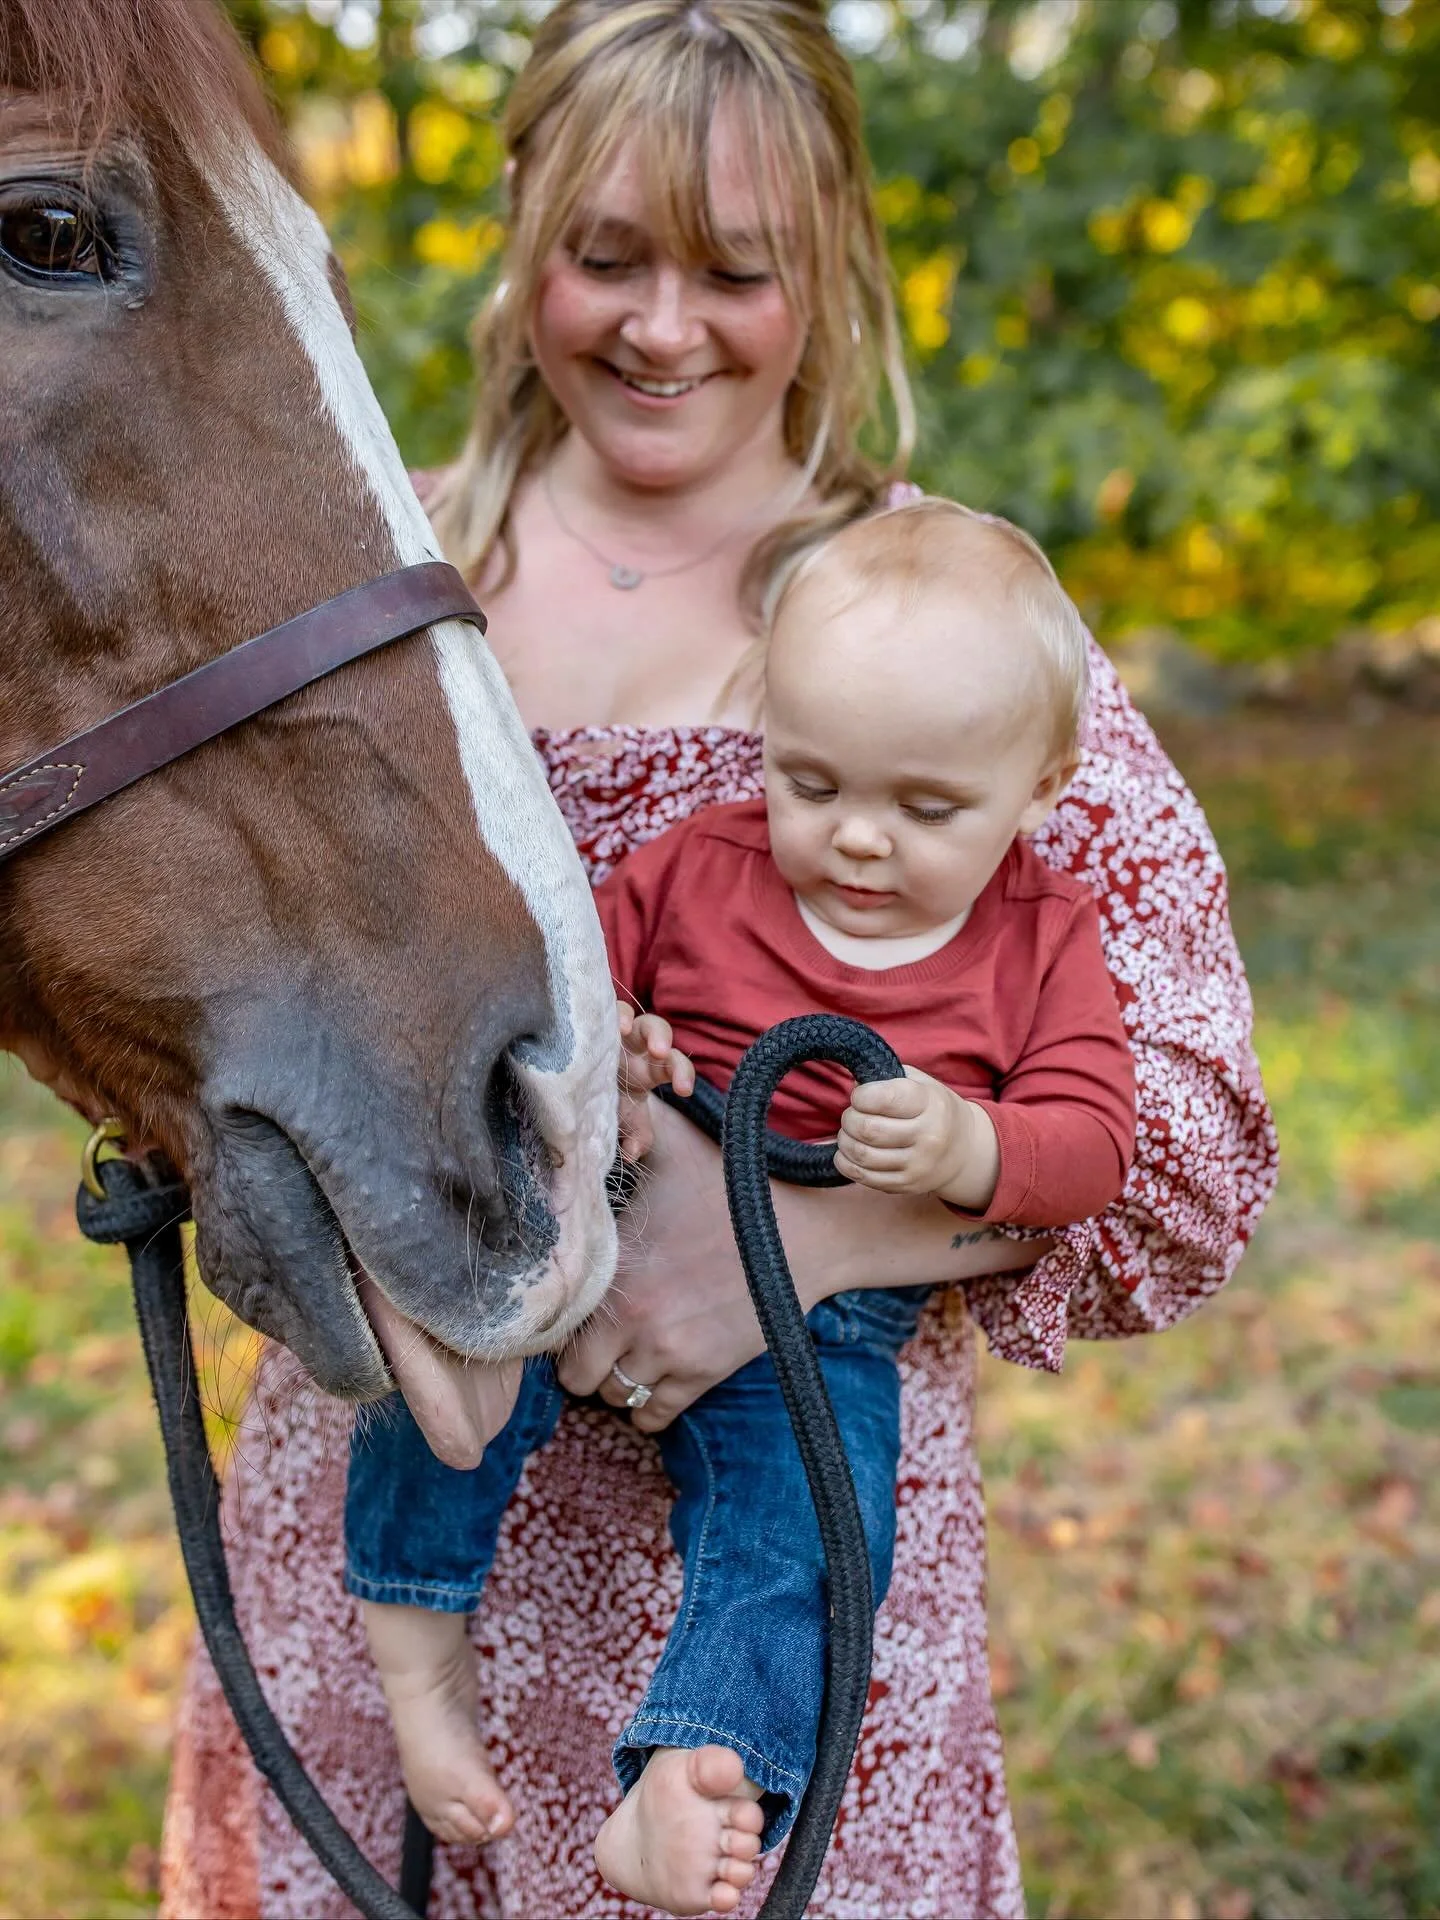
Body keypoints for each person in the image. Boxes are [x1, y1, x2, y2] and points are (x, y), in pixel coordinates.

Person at [162, 4, 1278, 1915]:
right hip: (396, 1534)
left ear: (827, 262)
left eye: (734, 270)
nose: (663, 327)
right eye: (609, 256)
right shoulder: (362, 580)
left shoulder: (943, 626)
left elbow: (1187, 1133)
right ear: (527, 231)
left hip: (764, 1572)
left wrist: (789, 1247)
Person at [344, 502, 1138, 1917]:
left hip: (826, 1323)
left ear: (1042, 788)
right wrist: (624, 1039)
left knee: (818, 1532)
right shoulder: (701, 865)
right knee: (449, 1363)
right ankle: (416, 1659)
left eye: (926, 810)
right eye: (809, 781)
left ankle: (699, 1762)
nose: (859, 840)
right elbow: (566, 988)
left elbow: (1094, 1147)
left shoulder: (1041, 939)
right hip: (612, 1213)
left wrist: (974, 1141)